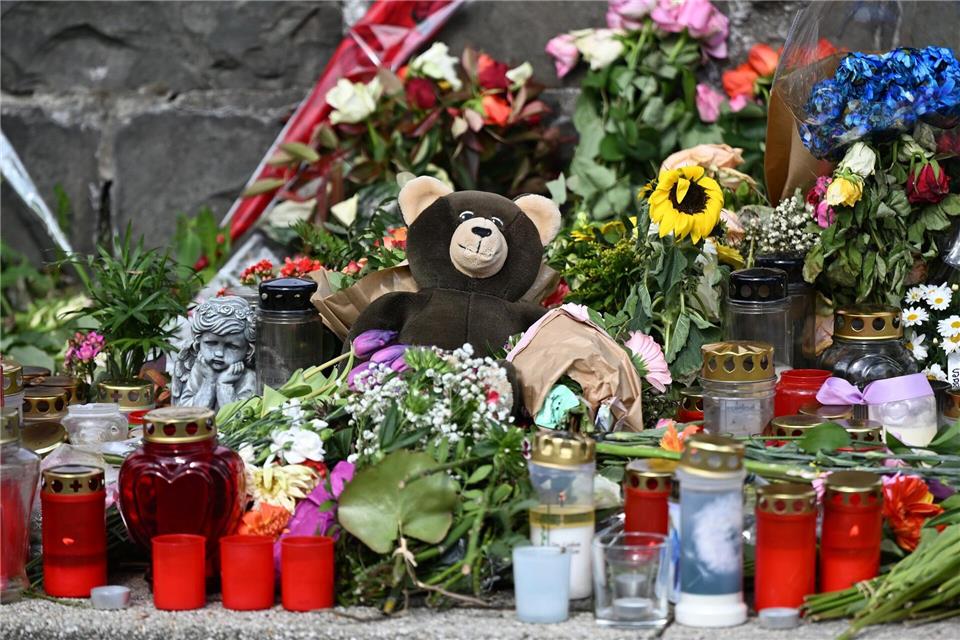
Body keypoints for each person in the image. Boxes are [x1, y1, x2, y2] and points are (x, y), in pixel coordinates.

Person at [172, 296, 256, 410]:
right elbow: (186, 412)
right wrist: (209, 382)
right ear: (198, 342)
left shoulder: (247, 377)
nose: (219, 353)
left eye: (232, 346)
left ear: (248, 350)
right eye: (211, 343)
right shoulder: (199, 370)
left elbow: (239, 420)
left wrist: (225, 385)